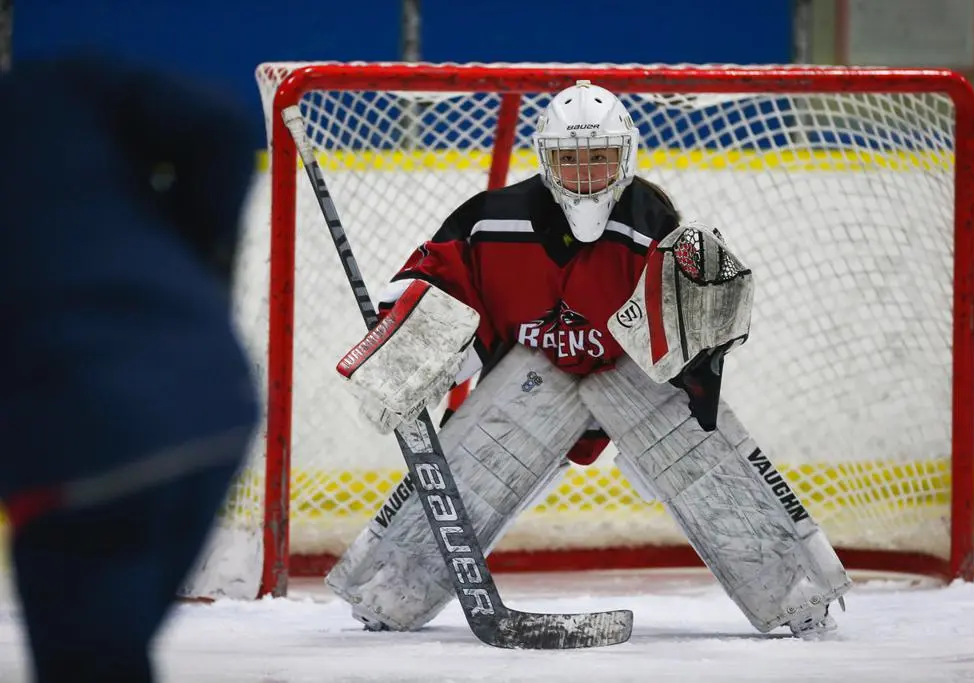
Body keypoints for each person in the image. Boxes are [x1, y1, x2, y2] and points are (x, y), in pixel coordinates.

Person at [328, 80, 852, 638]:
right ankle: (385, 589)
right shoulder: (490, 219)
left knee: (708, 464)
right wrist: (406, 329)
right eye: (570, 159)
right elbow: (437, 283)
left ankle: (798, 591)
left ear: (624, 156)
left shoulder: (651, 222)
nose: (585, 174)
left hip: (634, 374)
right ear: (545, 158)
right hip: (537, 375)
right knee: (468, 475)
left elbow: (687, 335)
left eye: (599, 158)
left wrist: (703, 321)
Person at [0, 56, 259, 682]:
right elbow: (223, 123)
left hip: (81, 438)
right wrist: (194, 266)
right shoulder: (52, 87)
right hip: (213, 402)